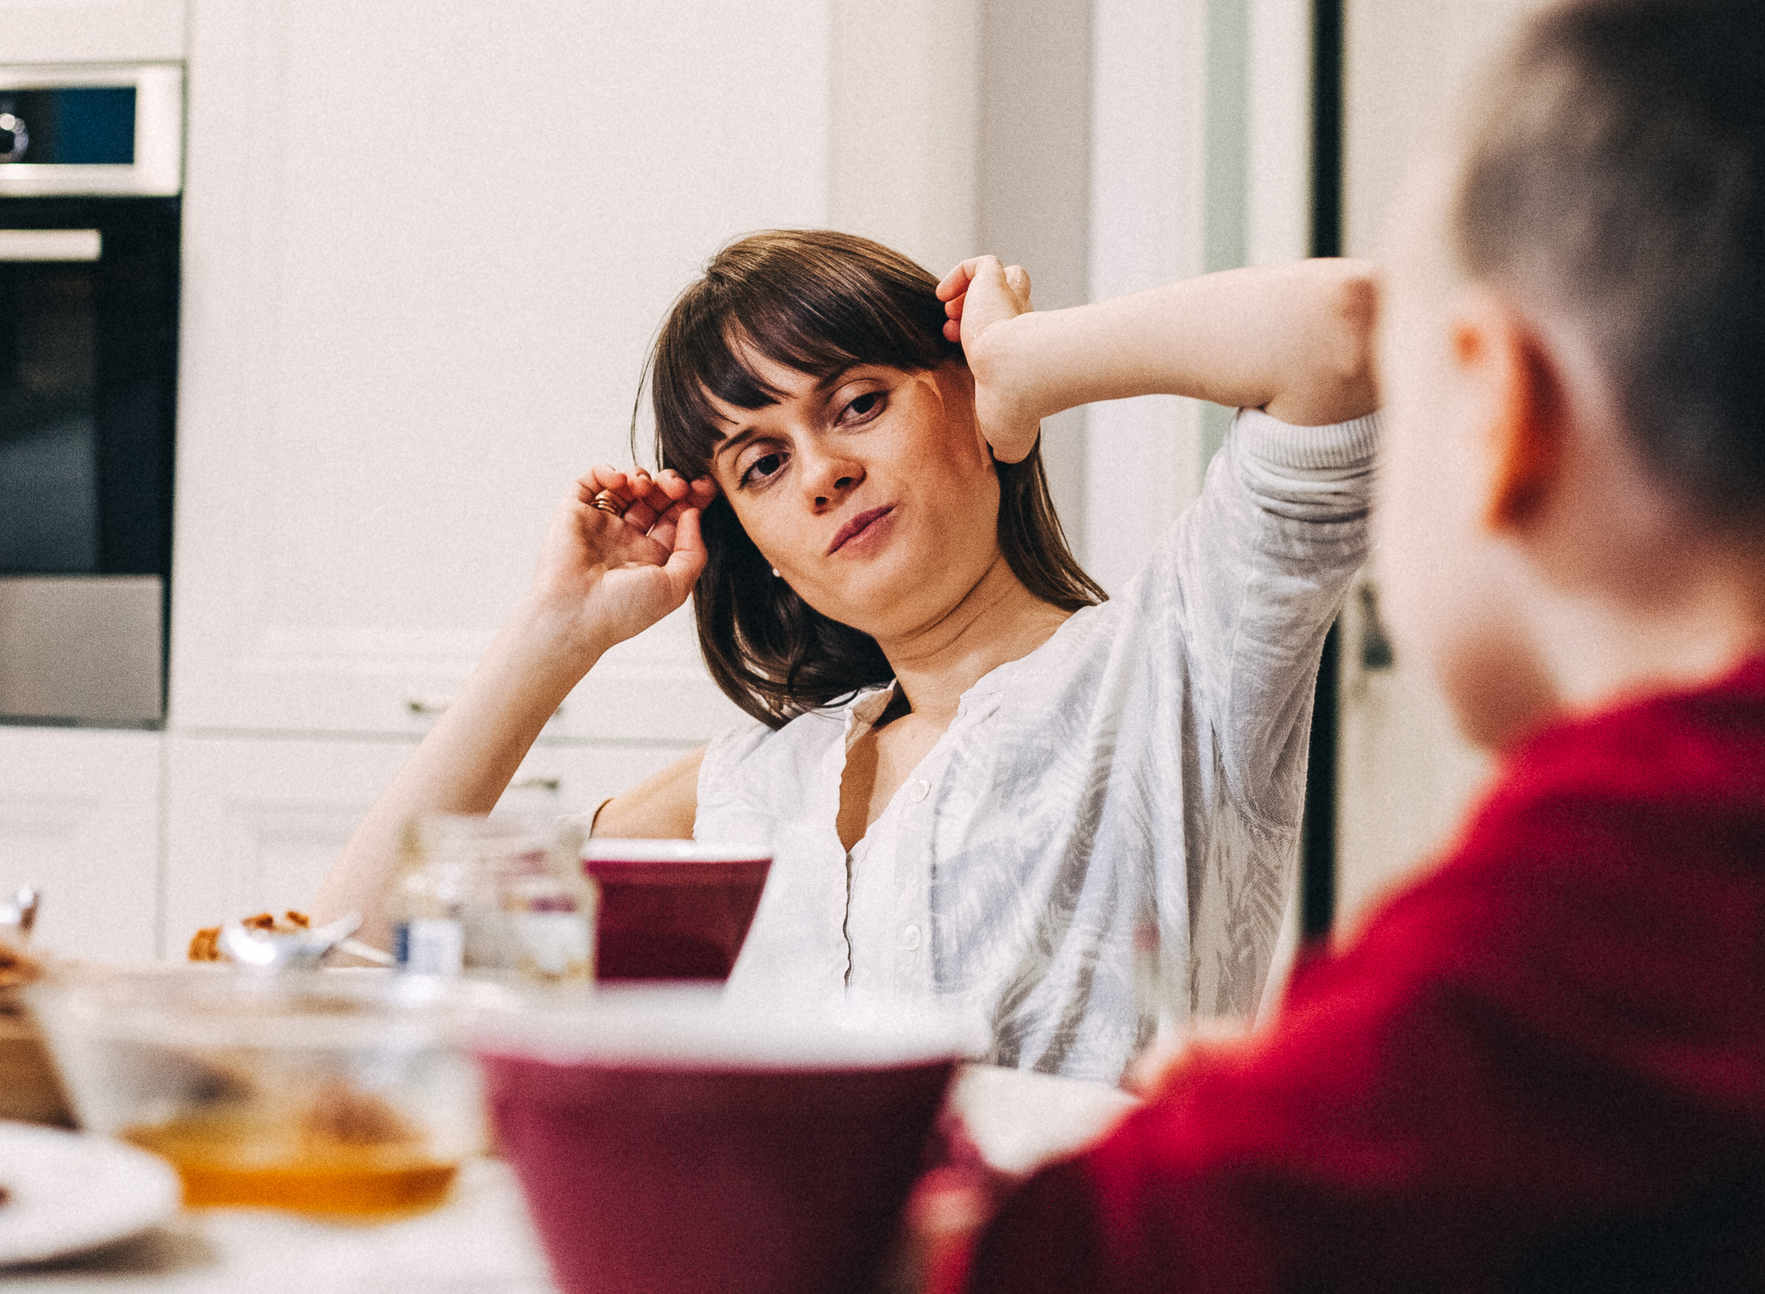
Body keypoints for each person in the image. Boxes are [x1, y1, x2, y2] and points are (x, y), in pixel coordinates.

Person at [934, 0, 1765, 1292]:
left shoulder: (1649, 872)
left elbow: (1046, 1265)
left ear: (1492, 407)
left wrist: (1217, 1136)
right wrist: (1308, 1094)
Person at [317, 229, 1379, 1080]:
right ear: (760, 549)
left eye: (858, 404)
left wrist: (1021, 364)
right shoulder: (747, 790)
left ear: (967, 399)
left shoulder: (1176, 665)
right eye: (763, 465)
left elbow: (1344, 329)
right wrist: (552, 638)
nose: (822, 473)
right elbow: (344, 959)